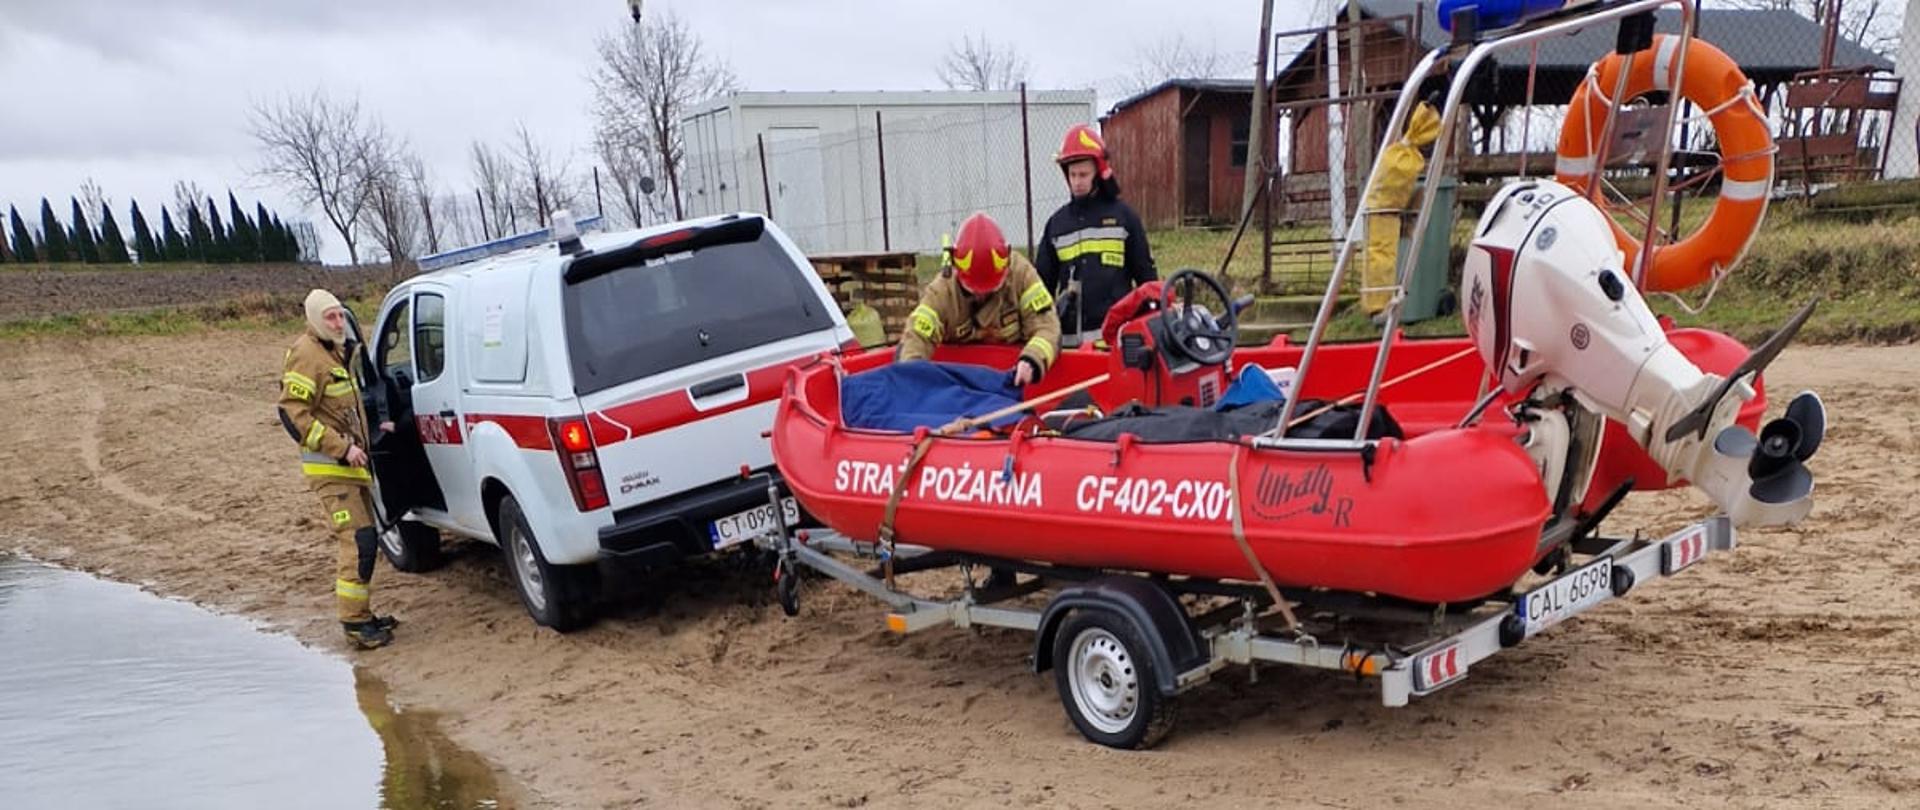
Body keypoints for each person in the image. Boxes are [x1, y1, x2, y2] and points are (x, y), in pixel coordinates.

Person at [278, 289, 398, 650]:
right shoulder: (306, 354)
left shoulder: (337, 351)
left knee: (366, 539)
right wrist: (342, 448)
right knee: (358, 541)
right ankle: (355, 623)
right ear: (316, 320)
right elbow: (293, 413)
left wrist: (377, 425)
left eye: (340, 315)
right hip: (331, 470)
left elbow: (346, 406)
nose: (338, 322)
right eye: (330, 317)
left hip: (351, 468)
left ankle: (362, 615)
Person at [899, 211, 1061, 387]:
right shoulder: (943, 291)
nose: (981, 296)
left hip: (1016, 377)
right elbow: (916, 337)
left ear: (1006, 263)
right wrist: (911, 379)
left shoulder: (1021, 275)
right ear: (955, 266)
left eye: (990, 290)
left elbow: (1047, 327)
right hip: (959, 383)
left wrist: (1032, 359)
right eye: (973, 291)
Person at [1035, 124, 1158, 347]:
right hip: (1070, 344)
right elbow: (1042, 286)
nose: (1077, 182)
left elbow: (1146, 278)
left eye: (1083, 174)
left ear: (1099, 173)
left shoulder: (1124, 218)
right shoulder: (1056, 224)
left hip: (1115, 341)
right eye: (1072, 174)